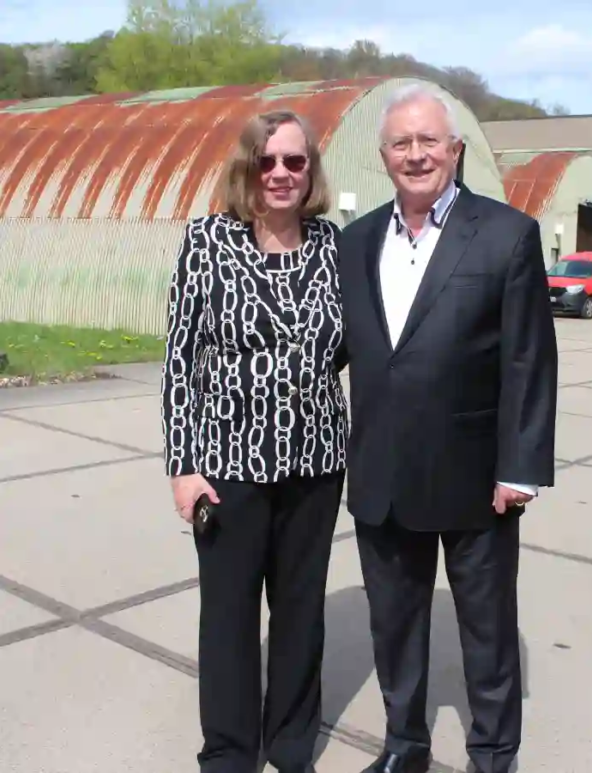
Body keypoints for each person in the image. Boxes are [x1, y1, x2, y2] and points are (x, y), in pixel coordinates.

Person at [335, 84, 558, 773]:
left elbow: (529, 357)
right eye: (401, 143)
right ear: (383, 156)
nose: (416, 154)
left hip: (475, 476)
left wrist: (519, 466)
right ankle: (406, 743)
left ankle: (493, 754)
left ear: (455, 150)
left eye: (429, 140)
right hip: (384, 475)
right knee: (394, 627)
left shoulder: (505, 234)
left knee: (486, 631)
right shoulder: (357, 239)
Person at [160, 109, 348, 773]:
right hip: (228, 468)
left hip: (316, 466)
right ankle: (231, 751)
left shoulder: (334, 245)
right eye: (266, 161)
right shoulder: (209, 241)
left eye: (294, 162)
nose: (280, 174)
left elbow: (351, 350)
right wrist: (183, 465)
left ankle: (292, 743)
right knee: (230, 618)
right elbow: (182, 359)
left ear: (310, 172)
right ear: (247, 168)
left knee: (301, 613)